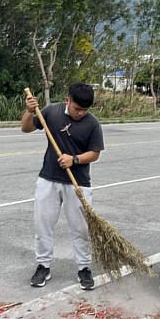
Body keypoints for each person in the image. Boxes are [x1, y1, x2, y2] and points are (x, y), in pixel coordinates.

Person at [22, 83, 105, 290]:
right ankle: (43, 266)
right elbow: (26, 128)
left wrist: (74, 159)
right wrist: (29, 111)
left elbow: (95, 153)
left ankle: (84, 268)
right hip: (48, 179)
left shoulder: (92, 124)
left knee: (81, 229)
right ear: (68, 100)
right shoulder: (51, 112)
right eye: (77, 109)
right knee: (43, 225)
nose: (81, 113)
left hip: (78, 184)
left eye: (85, 110)